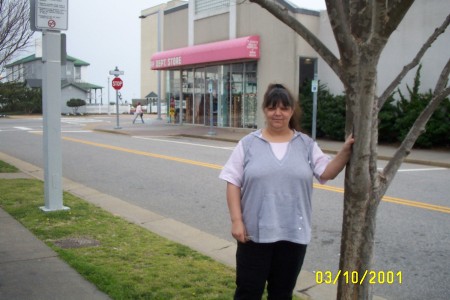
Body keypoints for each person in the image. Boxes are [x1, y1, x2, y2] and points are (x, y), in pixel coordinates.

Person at [219, 83, 354, 299]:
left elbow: (327, 172)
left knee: (282, 293)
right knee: (248, 291)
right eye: (272, 108)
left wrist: (345, 151)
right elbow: (232, 181)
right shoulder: (248, 144)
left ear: (291, 111)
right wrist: (237, 220)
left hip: (293, 234)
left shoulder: (306, 145)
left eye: (284, 108)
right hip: (253, 235)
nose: (278, 113)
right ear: (264, 110)